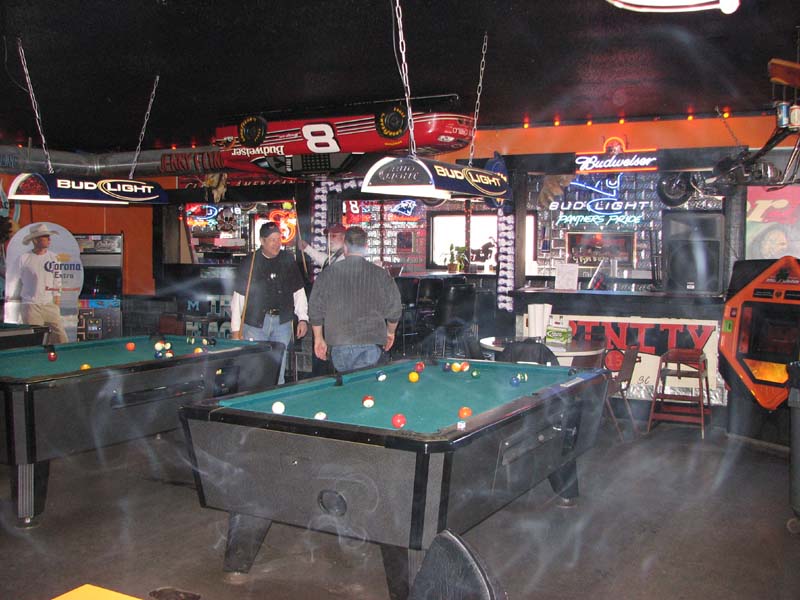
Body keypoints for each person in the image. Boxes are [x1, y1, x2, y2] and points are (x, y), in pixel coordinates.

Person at [309, 226, 402, 372]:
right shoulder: (381, 274)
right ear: (366, 247)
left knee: (347, 385)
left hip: (338, 345)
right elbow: (395, 310)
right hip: (372, 344)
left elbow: (315, 310)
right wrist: (390, 332)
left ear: (345, 247)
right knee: (366, 385)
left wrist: (318, 338)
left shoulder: (327, 274)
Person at [230, 221, 308, 384]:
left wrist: (303, 318)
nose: (277, 243)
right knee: (255, 369)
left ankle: (276, 396)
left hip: (282, 323)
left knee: (278, 369)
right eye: (272, 239)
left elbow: (298, 291)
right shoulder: (250, 262)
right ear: (262, 241)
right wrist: (236, 330)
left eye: (279, 239)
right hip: (255, 323)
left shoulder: (287, 259)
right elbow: (238, 298)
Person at [5, 223, 69, 344]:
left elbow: (57, 280)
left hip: (49, 304)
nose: (49, 239)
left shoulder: (54, 257)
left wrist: (57, 300)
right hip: (31, 305)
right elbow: (13, 279)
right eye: (45, 236)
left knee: (61, 338)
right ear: (35, 240)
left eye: (49, 236)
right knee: (36, 339)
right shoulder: (24, 258)